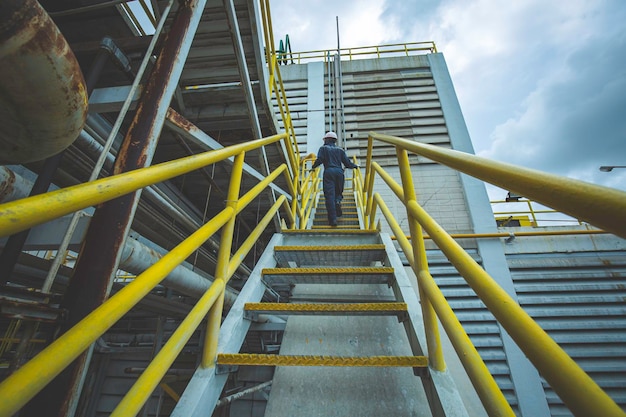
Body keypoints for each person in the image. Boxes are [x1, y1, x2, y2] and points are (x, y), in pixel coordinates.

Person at [311, 131, 358, 226]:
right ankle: (338, 201)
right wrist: (355, 166)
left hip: (329, 172)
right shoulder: (340, 150)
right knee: (338, 193)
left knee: (329, 196)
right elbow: (347, 163)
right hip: (339, 173)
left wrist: (313, 167)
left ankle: (333, 220)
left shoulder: (323, 148)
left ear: (326, 139)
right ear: (335, 140)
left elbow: (320, 159)